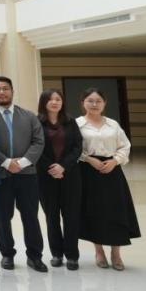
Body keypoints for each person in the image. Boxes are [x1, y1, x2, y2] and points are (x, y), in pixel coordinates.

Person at [0, 76, 47, 272]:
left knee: (30, 216)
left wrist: (20, 163)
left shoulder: (29, 116)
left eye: (5, 88)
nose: (1, 92)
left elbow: (38, 142)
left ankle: (35, 256)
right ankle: (7, 254)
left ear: (12, 91)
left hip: (27, 174)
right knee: (2, 217)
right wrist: (6, 162)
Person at [77, 87, 140, 270]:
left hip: (112, 171)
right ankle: (99, 251)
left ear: (104, 103)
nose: (94, 104)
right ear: (83, 103)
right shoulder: (77, 124)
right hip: (88, 172)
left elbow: (125, 146)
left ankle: (116, 253)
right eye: (90, 101)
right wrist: (89, 159)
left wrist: (115, 161)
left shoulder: (113, 124)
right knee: (94, 211)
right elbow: (72, 148)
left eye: (98, 101)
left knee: (116, 210)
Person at [36, 88, 83, 270]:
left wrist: (63, 166)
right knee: (52, 216)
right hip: (45, 176)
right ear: (44, 102)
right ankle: (56, 254)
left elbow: (77, 147)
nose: (55, 102)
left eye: (58, 99)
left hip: (70, 175)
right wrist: (51, 167)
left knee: (71, 216)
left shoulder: (71, 122)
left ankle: (72, 255)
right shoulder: (36, 122)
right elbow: (34, 147)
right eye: (51, 99)